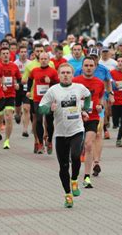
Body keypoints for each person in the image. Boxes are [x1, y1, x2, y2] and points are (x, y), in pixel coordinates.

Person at [38, 63, 91, 208]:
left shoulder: (79, 88)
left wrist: (86, 108)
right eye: (63, 73)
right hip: (60, 133)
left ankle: (74, 180)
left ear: (72, 75)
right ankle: (68, 195)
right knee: (63, 166)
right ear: (59, 75)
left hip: (77, 130)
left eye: (68, 72)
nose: (66, 75)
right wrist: (50, 108)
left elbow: (88, 96)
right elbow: (40, 109)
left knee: (75, 156)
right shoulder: (53, 90)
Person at [73, 57, 104, 188]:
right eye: (86, 65)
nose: (89, 68)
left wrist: (100, 107)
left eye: (91, 65)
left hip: (93, 117)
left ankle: (87, 176)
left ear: (95, 67)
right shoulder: (75, 82)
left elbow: (100, 99)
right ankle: (74, 172)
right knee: (75, 149)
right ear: (82, 67)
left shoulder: (99, 83)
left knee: (89, 144)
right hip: (76, 118)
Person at [28, 52, 58, 154]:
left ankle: (49, 141)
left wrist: (51, 82)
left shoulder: (53, 72)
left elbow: (58, 84)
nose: (44, 60)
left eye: (46, 58)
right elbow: (30, 79)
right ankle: (40, 143)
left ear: (49, 60)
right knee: (39, 120)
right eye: (42, 59)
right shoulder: (35, 70)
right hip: (37, 100)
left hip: (49, 100)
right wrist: (28, 91)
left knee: (49, 122)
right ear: (39, 60)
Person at [0, 47, 21, 150]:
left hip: (10, 95)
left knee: (9, 117)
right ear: (0, 55)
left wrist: (17, 85)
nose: (6, 55)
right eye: (3, 53)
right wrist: (0, 85)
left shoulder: (14, 66)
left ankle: (7, 140)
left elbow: (19, 79)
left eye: (7, 53)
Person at [110, 55, 122, 147]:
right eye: (118, 61)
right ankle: (115, 124)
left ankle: (119, 139)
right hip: (115, 100)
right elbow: (109, 84)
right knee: (115, 122)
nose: (120, 63)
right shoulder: (112, 73)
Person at [14, 45, 31, 137]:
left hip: (27, 88)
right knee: (17, 106)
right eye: (22, 52)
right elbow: (12, 76)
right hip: (18, 87)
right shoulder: (15, 63)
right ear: (18, 53)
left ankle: (25, 130)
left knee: (26, 108)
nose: (23, 54)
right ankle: (17, 114)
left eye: (25, 52)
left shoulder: (30, 63)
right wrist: (15, 84)